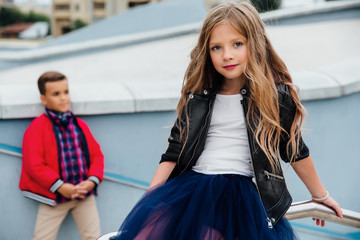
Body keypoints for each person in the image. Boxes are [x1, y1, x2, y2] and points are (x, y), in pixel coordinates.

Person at [113, 2, 342, 240]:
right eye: (216, 48)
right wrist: (151, 203)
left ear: (255, 43)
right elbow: (173, 154)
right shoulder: (199, 95)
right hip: (191, 189)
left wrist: (321, 196)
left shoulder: (275, 96)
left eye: (237, 44)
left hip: (238, 197)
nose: (227, 55)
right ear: (207, 51)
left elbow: (294, 151)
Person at [19, 71, 105, 240]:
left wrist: (90, 182)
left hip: (83, 195)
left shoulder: (79, 125)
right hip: (54, 198)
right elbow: (34, 165)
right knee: (42, 237)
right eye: (56, 94)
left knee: (93, 237)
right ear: (44, 99)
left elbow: (97, 155)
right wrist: (60, 186)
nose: (63, 98)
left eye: (66, 92)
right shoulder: (37, 128)